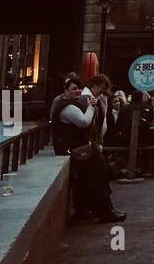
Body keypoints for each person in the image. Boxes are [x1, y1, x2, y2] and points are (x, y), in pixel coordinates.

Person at [50, 75, 124, 223]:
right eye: (73, 89)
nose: (76, 91)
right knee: (98, 176)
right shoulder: (70, 106)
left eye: (78, 88)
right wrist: (91, 106)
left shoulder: (72, 103)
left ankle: (86, 212)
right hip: (80, 149)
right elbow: (84, 122)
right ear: (65, 91)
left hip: (80, 147)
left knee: (85, 181)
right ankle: (102, 211)